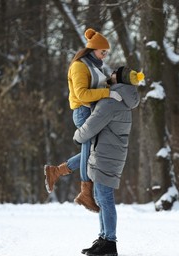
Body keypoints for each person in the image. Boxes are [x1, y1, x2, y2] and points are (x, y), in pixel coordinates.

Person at [44, 28, 122, 213]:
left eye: (106, 53)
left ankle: (57, 172)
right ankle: (85, 192)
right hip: (83, 112)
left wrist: (115, 82)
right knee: (91, 151)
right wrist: (108, 93)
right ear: (93, 49)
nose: (104, 56)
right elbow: (82, 94)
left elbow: (98, 85)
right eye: (103, 52)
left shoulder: (95, 66)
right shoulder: (79, 66)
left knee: (94, 151)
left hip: (94, 112)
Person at [73, 66, 144, 256]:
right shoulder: (122, 98)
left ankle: (110, 242)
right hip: (110, 152)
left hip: (106, 153)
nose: (109, 75)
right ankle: (104, 238)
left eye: (113, 73)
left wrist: (78, 136)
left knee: (105, 198)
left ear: (119, 78)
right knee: (101, 197)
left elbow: (93, 123)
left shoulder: (113, 100)